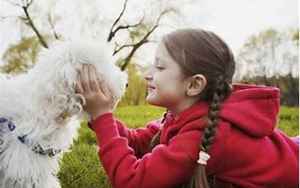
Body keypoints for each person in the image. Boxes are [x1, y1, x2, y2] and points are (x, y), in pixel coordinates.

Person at [75, 29, 299, 188]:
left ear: (193, 85)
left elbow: (132, 181)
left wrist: (102, 115)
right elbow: (138, 142)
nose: (147, 74)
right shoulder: (183, 116)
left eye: (160, 66)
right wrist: (98, 115)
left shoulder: (205, 135)